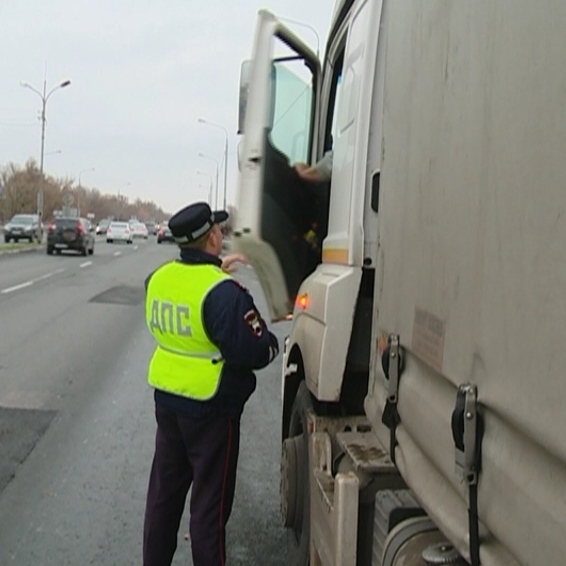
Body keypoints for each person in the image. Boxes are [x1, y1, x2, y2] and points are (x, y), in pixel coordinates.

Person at [142, 201, 279, 566]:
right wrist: (272, 345)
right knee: (208, 512)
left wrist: (216, 267)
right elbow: (255, 350)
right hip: (211, 411)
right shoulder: (224, 294)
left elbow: (189, 286)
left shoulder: (159, 279)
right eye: (219, 231)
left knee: (163, 500)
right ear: (214, 238)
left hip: (168, 405)